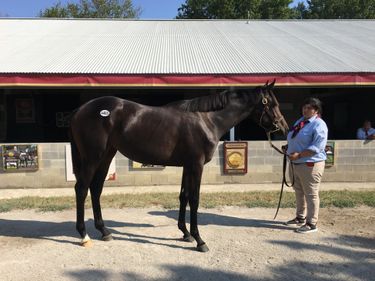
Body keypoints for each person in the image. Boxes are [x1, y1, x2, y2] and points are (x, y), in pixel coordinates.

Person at [284, 97, 328, 234]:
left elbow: (318, 146)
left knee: (311, 193)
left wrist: (299, 155)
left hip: (310, 163)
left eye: (309, 107)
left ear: (316, 110)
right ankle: (300, 217)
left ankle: (312, 223)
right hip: (295, 163)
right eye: (304, 107)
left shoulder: (319, 124)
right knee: (299, 191)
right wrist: (289, 147)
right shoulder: (300, 122)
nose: (305, 109)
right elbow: (296, 138)